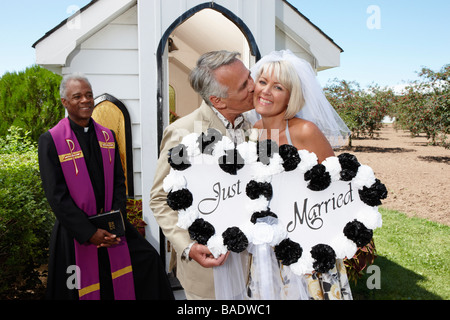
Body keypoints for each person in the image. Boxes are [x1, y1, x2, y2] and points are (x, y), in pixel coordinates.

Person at [38, 74, 174, 300]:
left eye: (89, 95)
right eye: (77, 96)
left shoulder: (107, 136)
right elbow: (56, 195)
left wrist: (114, 223)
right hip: (75, 231)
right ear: (65, 102)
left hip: (111, 225)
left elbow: (120, 183)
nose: (85, 100)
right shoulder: (51, 140)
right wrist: (89, 233)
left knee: (148, 260)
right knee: (76, 287)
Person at [150, 51, 255, 300]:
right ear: (218, 101)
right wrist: (188, 246)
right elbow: (159, 199)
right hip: (209, 272)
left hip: (255, 265)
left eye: (250, 77)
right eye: (244, 86)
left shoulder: (259, 127)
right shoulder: (182, 133)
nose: (254, 86)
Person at [249, 50, 352, 300]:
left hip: (307, 246)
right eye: (262, 82)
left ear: (291, 97)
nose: (265, 91)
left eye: (278, 87)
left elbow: (338, 187)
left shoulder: (305, 131)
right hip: (267, 248)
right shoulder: (255, 131)